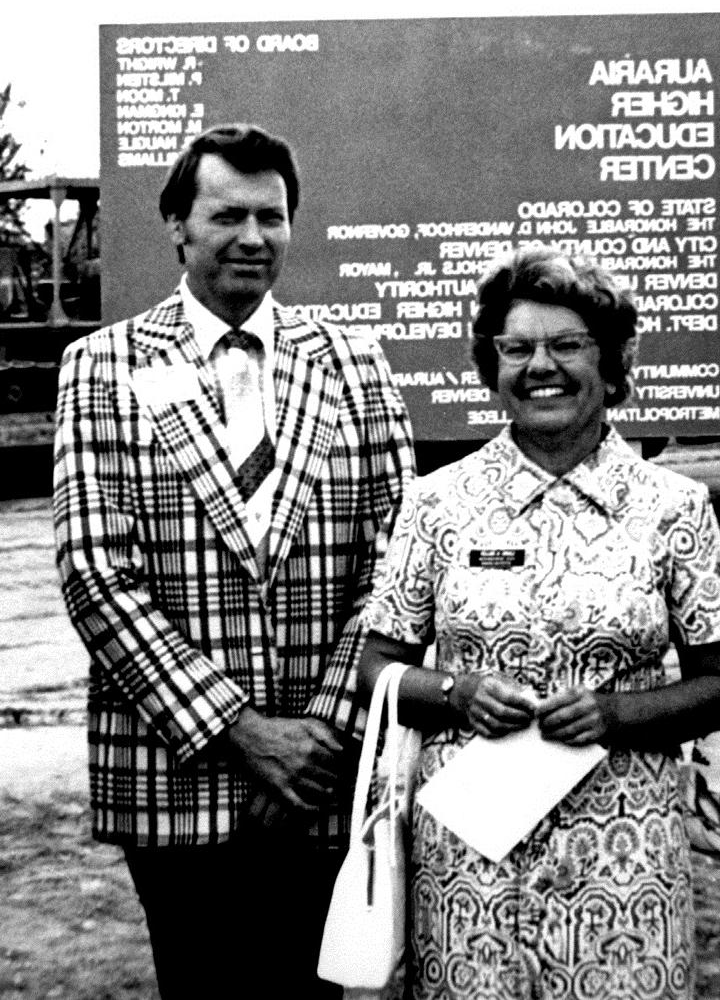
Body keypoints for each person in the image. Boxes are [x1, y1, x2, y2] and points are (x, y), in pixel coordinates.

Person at [52, 123, 415, 1000]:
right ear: (177, 224)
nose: (253, 238)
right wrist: (243, 736)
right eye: (226, 216)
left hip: (327, 779)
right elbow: (96, 573)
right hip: (175, 782)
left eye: (272, 216)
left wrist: (318, 736)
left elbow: (400, 564)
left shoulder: (355, 363)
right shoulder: (101, 366)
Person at [357, 245, 720, 1000]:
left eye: (567, 345)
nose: (543, 366)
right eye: (517, 348)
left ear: (611, 362)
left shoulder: (674, 508)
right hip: (469, 857)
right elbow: (377, 667)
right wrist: (456, 693)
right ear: (490, 366)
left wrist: (615, 712)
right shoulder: (437, 503)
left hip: (626, 855)